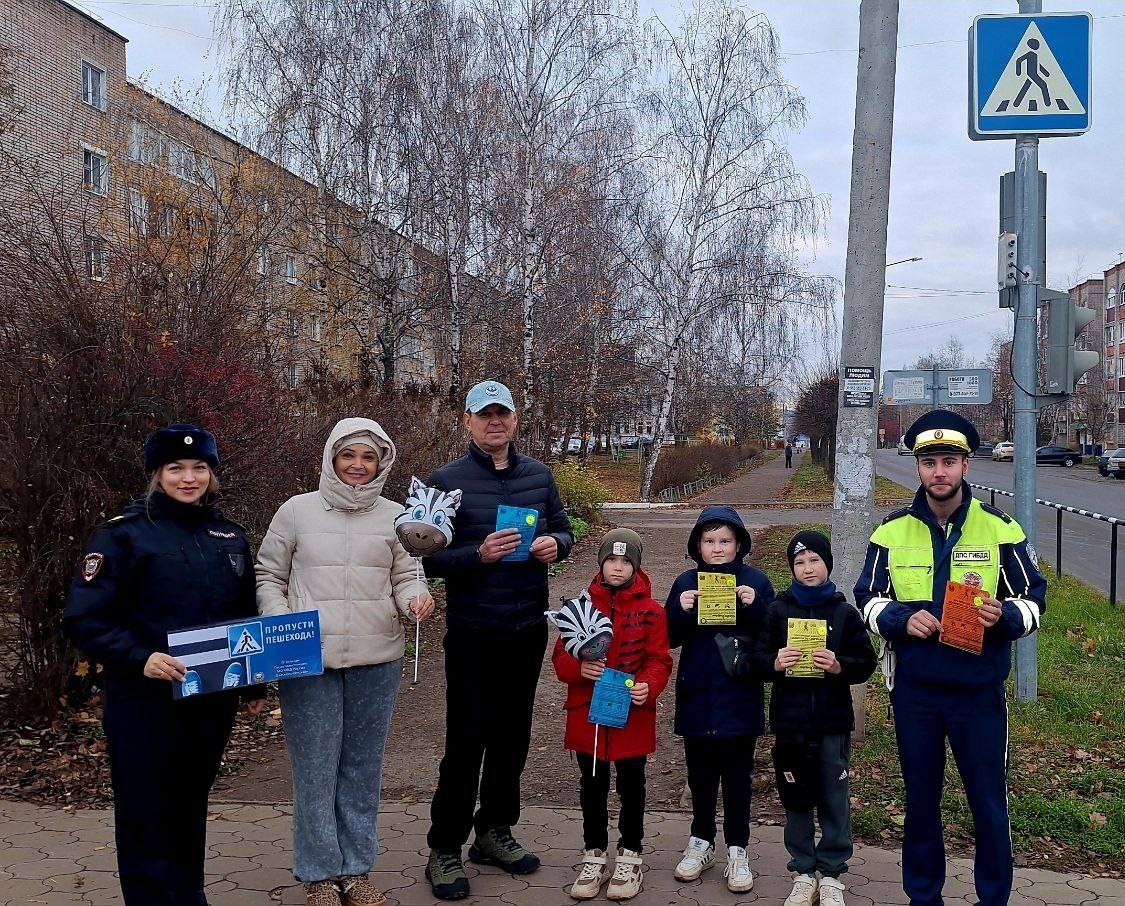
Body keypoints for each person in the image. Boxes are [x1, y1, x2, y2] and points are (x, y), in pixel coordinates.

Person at [64, 424, 266, 906]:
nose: (188, 478)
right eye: (176, 468)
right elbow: (84, 617)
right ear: (157, 474)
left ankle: (188, 896)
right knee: (145, 812)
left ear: (213, 476)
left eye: (200, 468)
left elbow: (244, 616)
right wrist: (140, 658)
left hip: (209, 700)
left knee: (189, 805)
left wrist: (253, 686)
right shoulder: (122, 536)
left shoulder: (229, 536)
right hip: (144, 701)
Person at [854, 410, 1047, 906]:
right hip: (916, 693)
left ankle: (993, 898)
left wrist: (1004, 616)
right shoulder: (890, 532)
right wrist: (899, 618)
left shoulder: (1001, 529)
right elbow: (867, 599)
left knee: (988, 804)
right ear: (917, 467)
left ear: (965, 466)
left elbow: (1034, 603)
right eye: (929, 462)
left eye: (949, 461)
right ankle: (924, 897)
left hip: (978, 695)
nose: (939, 472)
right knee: (921, 803)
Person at [255, 418, 433, 906]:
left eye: (369, 457)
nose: (358, 465)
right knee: (315, 768)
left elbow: (407, 576)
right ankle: (319, 874)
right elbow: (269, 574)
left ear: (383, 463)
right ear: (332, 458)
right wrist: (279, 626)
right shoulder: (296, 511)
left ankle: (355, 871)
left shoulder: (399, 517)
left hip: (377, 660)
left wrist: (417, 598)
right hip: (307, 662)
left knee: (361, 767)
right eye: (348, 455)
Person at [422, 380, 575, 900]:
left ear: (514, 420)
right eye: (484, 415)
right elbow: (426, 555)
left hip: (526, 628)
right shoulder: (446, 481)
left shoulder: (539, 475)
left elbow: (564, 527)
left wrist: (558, 543)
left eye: (502, 414)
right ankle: (444, 847)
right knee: (466, 741)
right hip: (473, 632)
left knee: (512, 738)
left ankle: (494, 832)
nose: (494, 423)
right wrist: (476, 555)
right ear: (467, 421)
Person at [724, 531, 875, 906]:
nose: (808, 569)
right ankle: (804, 871)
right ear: (792, 569)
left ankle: (832, 873)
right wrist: (774, 662)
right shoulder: (777, 610)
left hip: (832, 723)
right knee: (796, 797)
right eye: (800, 563)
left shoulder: (844, 613)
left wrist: (839, 664)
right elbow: (754, 659)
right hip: (790, 725)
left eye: (814, 560)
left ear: (828, 563)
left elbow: (866, 662)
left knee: (834, 797)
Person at [552, 529, 673, 902]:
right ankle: (594, 854)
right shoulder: (580, 606)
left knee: (632, 786)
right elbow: (561, 656)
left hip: (631, 715)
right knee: (592, 786)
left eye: (625, 562)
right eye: (611, 560)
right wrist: (578, 669)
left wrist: (647, 686)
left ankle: (630, 855)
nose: (617, 568)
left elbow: (659, 660)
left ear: (636, 566)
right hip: (588, 714)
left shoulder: (653, 611)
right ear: (601, 563)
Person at [665, 506, 774, 893]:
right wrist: (679, 610)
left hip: (739, 696)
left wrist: (755, 605)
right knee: (700, 773)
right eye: (709, 541)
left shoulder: (756, 580)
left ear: (739, 543)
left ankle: (738, 847)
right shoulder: (685, 581)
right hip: (697, 693)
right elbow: (669, 638)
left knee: (738, 777)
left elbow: (771, 638)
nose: (716, 548)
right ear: (697, 545)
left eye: (725, 541)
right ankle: (701, 839)